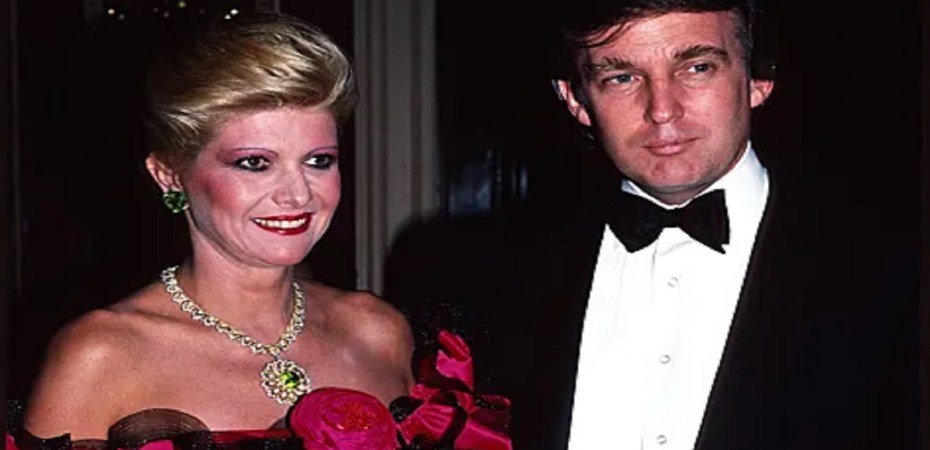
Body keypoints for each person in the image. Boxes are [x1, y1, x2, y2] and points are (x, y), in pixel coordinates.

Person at [385, 0, 915, 449]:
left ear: (758, 79)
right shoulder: (480, 275)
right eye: (621, 78)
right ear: (576, 100)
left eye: (697, 67)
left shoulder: (896, 265)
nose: (662, 110)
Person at [14, 13, 510, 450]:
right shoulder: (100, 355)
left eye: (318, 161)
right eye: (254, 163)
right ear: (169, 174)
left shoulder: (378, 332)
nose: (298, 194)